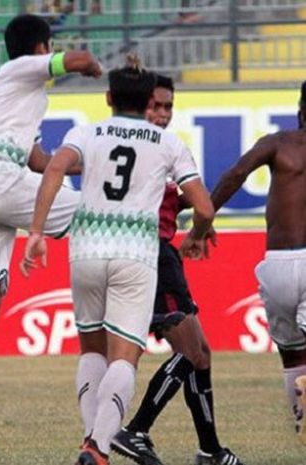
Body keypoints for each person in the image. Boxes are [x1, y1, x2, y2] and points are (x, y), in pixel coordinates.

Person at [21, 55, 215, 465]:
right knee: (125, 355)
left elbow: (54, 168)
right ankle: (100, 446)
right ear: (149, 102)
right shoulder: (167, 143)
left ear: (108, 96)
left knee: (91, 350)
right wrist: (196, 235)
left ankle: (91, 437)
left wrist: (37, 232)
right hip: (136, 255)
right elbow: (205, 207)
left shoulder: (86, 133)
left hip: (86, 250)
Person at [0, 13, 102, 456]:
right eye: (50, 46)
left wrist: (93, 163)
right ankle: (120, 314)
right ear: (43, 46)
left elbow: (39, 161)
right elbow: (81, 60)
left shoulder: (9, 100)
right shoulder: (19, 69)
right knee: (96, 215)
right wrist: (98, 66)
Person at [110, 75, 243, 465]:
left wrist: (197, 217)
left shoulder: (140, 147)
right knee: (191, 351)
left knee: (201, 352)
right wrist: (201, 227)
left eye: (168, 106)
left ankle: (210, 450)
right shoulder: (157, 147)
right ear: (140, 105)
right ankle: (136, 429)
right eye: (156, 106)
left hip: (150, 252)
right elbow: (191, 205)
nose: (163, 114)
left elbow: (169, 200)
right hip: (152, 253)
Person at [210, 80, 306, 445]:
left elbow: (236, 174)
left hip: (277, 261)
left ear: (301, 110)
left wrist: (204, 220)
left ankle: (301, 423)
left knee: (291, 353)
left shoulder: (277, 144)